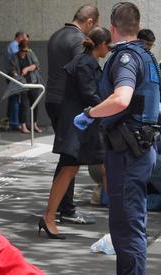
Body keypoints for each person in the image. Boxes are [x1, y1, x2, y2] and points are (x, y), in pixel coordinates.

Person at [73, 2, 161, 275]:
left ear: (111, 29)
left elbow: (122, 98)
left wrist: (89, 114)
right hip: (135, 149)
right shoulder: (145, 55)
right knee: (122, 223)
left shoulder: (124, 57)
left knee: (128, 225)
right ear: (136, 26)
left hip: (128, 151)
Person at [40, 27, 110, 239]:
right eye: (109, 45)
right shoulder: (85, 63)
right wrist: (111, 107)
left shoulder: (84, 61)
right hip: (78, 127)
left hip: (78, 125)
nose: (110, 49)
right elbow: (89, 94)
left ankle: (49, 216)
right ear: (102, 45)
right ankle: (49, 216)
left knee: (71, 169)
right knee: (71, 169)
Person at [45, 5, 99, 226]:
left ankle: (59, 206)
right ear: (89, 21)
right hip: (67, 104)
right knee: (71, 158)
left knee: (68, 158)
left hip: (51, 99)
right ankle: (64, 208)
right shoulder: (78, 40)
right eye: (93, 26)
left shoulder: (56, 35)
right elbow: (81, 72)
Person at [8, 39, 43, 134]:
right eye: (22, 51)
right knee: (23, 105)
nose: (24, 53)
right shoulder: (14, 57)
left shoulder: (30, 53)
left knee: (35, 104)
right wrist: (16, 74)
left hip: (33, 82)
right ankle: (23, 125)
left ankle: (33, 124)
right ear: (19, 49)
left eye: (26, 51)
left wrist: (27, 68)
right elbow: (12, 70)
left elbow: (36, 65)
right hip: (22, 84)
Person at [5, 31, 29, 132]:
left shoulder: (11, 45)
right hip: (14, 76)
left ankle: (12, 121)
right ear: (19, 37)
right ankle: (15, 123)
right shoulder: (14, 46)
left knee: (13, 99)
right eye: (24, 38)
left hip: (11, 75)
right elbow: (17, 60)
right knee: (16, 99)